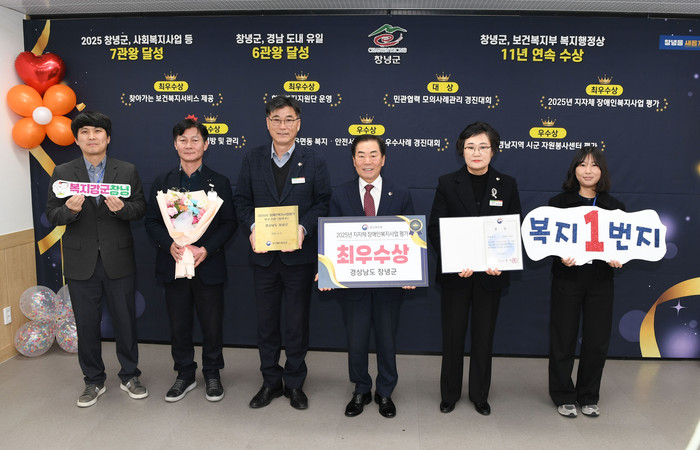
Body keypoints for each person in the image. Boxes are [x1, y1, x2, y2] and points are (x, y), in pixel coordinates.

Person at [234, 96, 331, 410]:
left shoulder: (313, 160)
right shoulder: (252, 159)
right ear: (267, 123)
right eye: (276, 119)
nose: (282, 125)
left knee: (296, 323)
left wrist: (303, 228)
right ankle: (270, 382)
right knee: (266, 324)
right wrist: (253, 227)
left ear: (298, 124)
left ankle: (295, 383)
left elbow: (323, 202)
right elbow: (241, 201)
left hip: (298, 257)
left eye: (289, 119)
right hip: (264, 258)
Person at [46, 111, 148, 407]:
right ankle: (93, 380)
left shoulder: (126, 170)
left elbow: (140, 208)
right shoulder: (63, 171)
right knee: (87, 324)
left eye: (98, 131)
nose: (92, 137)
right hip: (81, 262)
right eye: (85, 132)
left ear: (108, 137)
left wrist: (121, 209)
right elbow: (53, 214)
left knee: (125, 321)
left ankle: (130, 375)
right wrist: (70, 211)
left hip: (119, 258)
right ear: (77, 140)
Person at [427, 121, 521, 416]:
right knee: (453, 336)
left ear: (493, 151)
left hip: (490, 277)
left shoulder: (507, 184)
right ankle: (449, 394)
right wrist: (455, 260)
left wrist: (501, 262)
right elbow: (435, 229)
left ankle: (480, 394)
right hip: (457, 275)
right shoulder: (447, 183)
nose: (476, 152)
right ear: (461, 150)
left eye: (483, 147)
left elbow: (512, 229)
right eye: (470, 147)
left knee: (483, 337)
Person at [144, 119, 237, 403]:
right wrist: (169, 244)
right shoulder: (162, 182)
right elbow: (151, 221)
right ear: (175, 144)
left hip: (207, 265)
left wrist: (206, 248)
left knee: (212, 324)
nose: (189, 145)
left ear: (205, 145)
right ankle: (184, 374)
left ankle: (212, 373)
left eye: (195, 140)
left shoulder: (219, 182)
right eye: (183, 140)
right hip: (173, 264)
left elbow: (229, 223)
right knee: (178, 324)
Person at [326, 135, 414, 418]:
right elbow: (331, 239)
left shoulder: (400, 193)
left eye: (373, 155)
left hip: (389, 284)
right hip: (353, 285)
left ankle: (385, 391)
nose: (368, 161)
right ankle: (361, 388)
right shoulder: (340, 194)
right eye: (361, 155)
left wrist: (411, 271)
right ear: (353, 160)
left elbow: (410, 239)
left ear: (383, 159)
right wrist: (326, 271)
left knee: (387, 340)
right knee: (356, 340)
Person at [548, 146, 625, 418]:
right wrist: (561, 256)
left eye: (594, 165)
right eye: (582, 165)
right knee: (563, 338)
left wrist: (619, 258)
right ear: (574, 170)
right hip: (567, 278)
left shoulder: (615, 207)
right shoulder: (558, 203)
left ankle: (589, 396)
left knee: (597, 341)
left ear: (602, 171)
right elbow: (548, 242)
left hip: (601, 281)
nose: (588, 170)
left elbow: (623, 244)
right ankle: (562, 394)